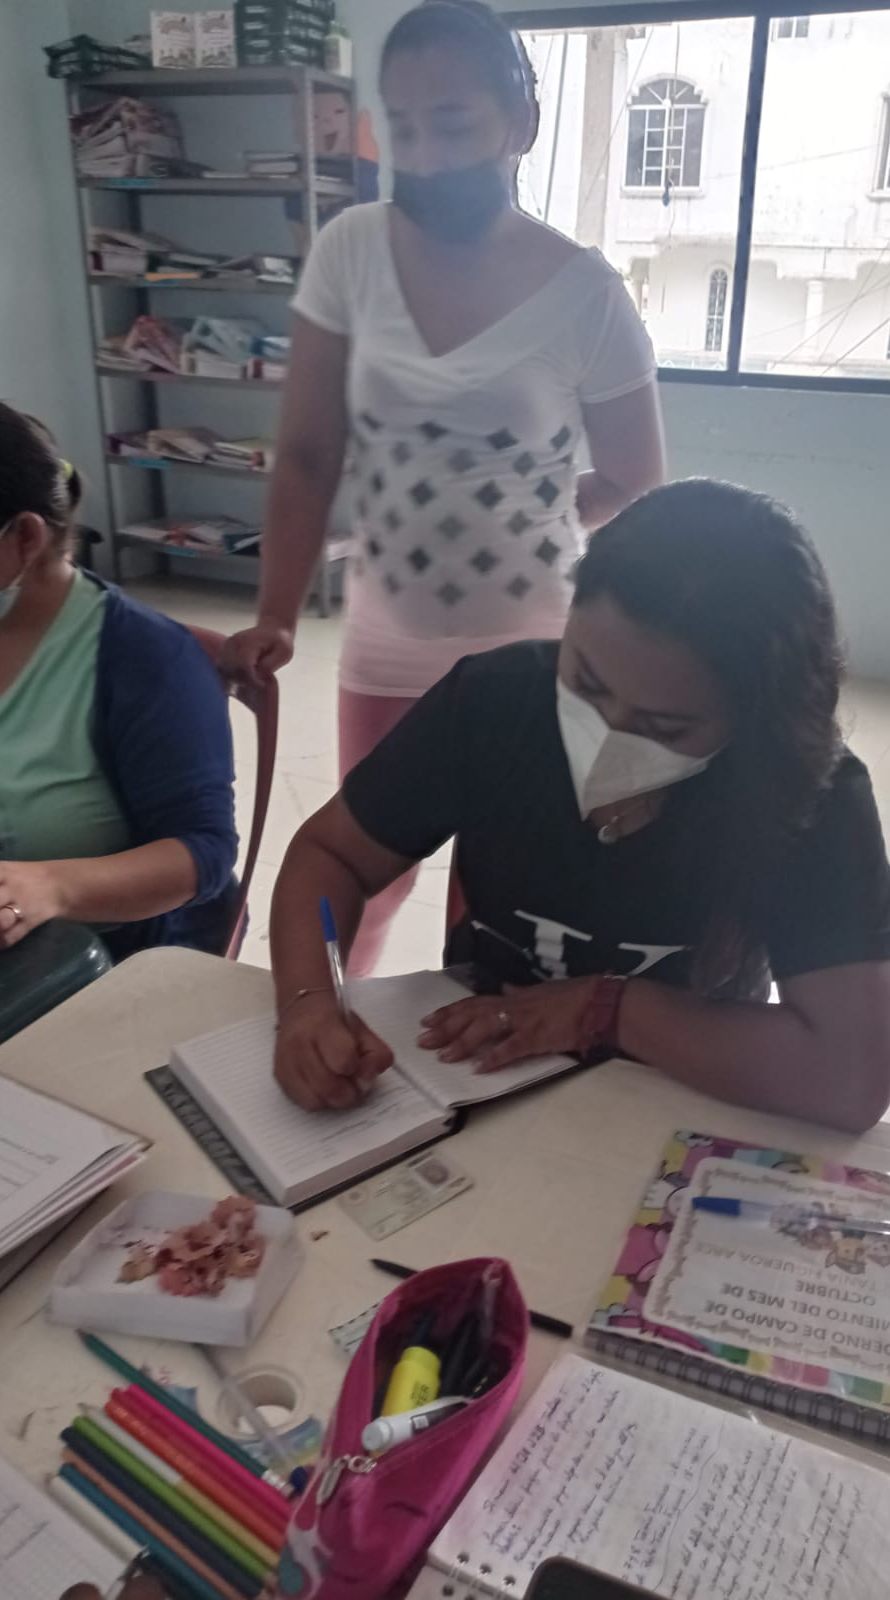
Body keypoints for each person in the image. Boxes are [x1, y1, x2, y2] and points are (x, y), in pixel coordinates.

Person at [222, 0, 664, 974]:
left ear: (519, 124)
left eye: (453, 124)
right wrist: (276, 615)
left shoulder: (585, 293)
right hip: (388, 642)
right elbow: (307, 455)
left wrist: (541, 509)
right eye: (405, 127)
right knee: (367, 874)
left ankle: (472, 1047)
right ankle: (330, 1023)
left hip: (534, 653)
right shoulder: (349, 252)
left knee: (496, 890)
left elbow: (638, 477)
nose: (423, 157)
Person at [267, 480, 890, 1135]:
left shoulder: (809, 789)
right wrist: (308, 1002)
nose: (609, 733)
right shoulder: (495, 702)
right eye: (587, 684)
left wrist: (607, 1010)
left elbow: (851, 1077)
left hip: (687, 1090)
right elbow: (331, 855)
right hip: (477, 1073)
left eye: (664, 727)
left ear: (756, 719)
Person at [0, 397, 236, 960]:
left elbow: (204, 853)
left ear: (26, 537)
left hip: (111, 961)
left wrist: (52, 887)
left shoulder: (146, 660)